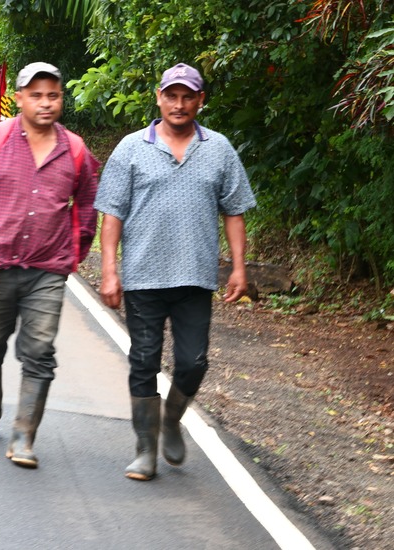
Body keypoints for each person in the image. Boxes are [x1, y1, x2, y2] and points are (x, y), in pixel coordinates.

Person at [95, 63, 257, 481]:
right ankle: (145, 449)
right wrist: (109, 270)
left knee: (193, 362)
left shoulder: (219, 149)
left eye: (188, 96)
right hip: (143, 277)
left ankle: (172, 417)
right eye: (172, 95)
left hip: (195, 279)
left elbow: (234, 211)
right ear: (159, 97)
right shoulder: (131, 148)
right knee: (144, 360)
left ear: (201, 101)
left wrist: (239, 268)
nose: (179, 104)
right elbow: (111, 214)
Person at [0, 62, 99, 469]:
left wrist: (75, 253)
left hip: (46, 271)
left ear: (61, 99)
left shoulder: (77, 151)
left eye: (54, 95)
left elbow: (86, 206)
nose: (46, 103)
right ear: (19, 98)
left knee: (40, 353)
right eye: (37, 95)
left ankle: (24, 435)